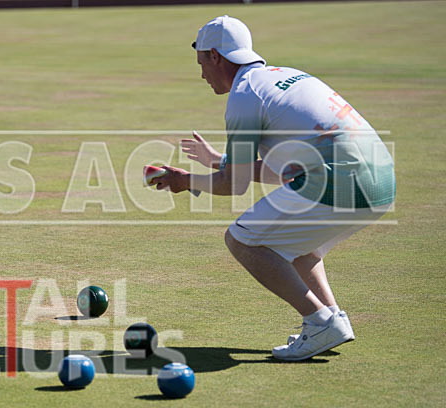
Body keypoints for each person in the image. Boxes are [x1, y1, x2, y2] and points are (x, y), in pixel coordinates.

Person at [153, 15, 395, 361]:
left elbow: (233, 186)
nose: (202, 73)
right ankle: (332, 319)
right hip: (381, 182)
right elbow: (288, 170)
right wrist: (219, 160)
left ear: (217, 57)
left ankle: (318, 321)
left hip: (343, 180)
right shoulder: (281, 76)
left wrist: (184, 182)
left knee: (243, 239)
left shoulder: (244, 95)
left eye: (202, 62)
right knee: (296, 247)